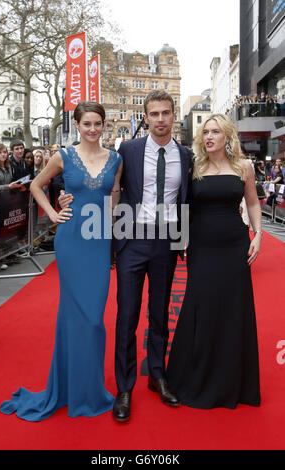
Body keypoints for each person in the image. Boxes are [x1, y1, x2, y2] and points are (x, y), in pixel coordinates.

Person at [0, 101, 122, 421]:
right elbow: (36, 185)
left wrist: (116, 223)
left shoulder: (116, 159)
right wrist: (54, 212)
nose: (93, 129)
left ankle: (86, 388)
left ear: (104, 125)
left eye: (98, 124)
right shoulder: (63, 156)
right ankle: (74, 390)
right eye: (87, 124)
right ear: (77, 126)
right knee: (76, 315)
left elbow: (115, 195)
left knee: (94, 318)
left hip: (99, 241)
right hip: (72, 241)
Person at [166, 114, 262, 410]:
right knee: (202, 306)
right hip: (202, 246)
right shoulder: (194, 167)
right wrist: (177, 240)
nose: (209, 136)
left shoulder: (243, 167)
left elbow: (253, 202)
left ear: (227, 136)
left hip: (235, 245)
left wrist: (257, 234)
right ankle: (195, 377)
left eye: (215, 131)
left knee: (233, 309)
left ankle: (232, 381)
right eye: (205, 132)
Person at [112, 91, 192, 422]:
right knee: (127, 315)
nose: (160, 119)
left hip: (166, 242)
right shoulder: (128, 150)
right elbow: (114, 190)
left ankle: (157, 375)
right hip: (132, 239)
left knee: (159, 312)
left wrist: (185, 240)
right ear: (145, 116)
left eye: (166, 113)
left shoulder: (186, 156)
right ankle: (125, 386)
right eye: (154, 113)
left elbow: (187, 199)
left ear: (174, 116)